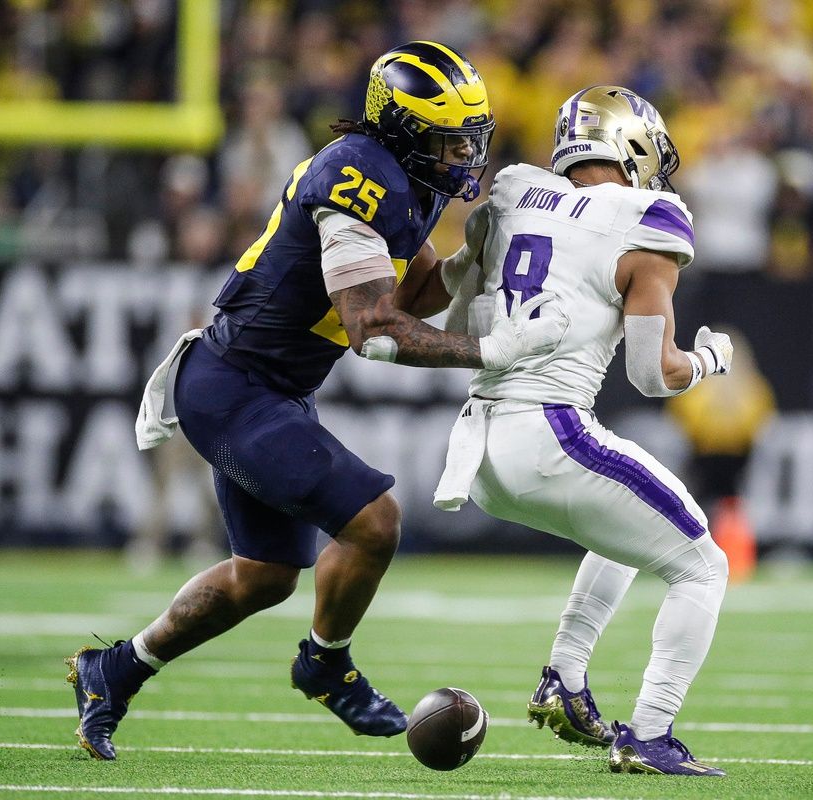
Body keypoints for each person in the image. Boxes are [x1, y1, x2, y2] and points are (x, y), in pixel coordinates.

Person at [65, 41, 566, 761]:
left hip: (267, 388)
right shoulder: (356, 175)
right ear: (398, 128)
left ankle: (112, 669)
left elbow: (417, 293)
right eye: (446, 138)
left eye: (468, 138)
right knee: (374, 522)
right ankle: (325, 665)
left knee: (262, 579)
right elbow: (372, 327)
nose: (462, 154)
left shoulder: (406, 179)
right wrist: (493, 350)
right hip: (233, 387)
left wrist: (469, 258)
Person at [398, 85, 732, 776]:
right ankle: (649, 734)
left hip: (478, 450)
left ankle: (565, 678)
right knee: (703, 564)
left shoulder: (516, 192)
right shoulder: (650, 215)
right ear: (632, 143)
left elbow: (443, 305)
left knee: (626, 532)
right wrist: (708, 359)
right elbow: (651, 373)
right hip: (549, 434)